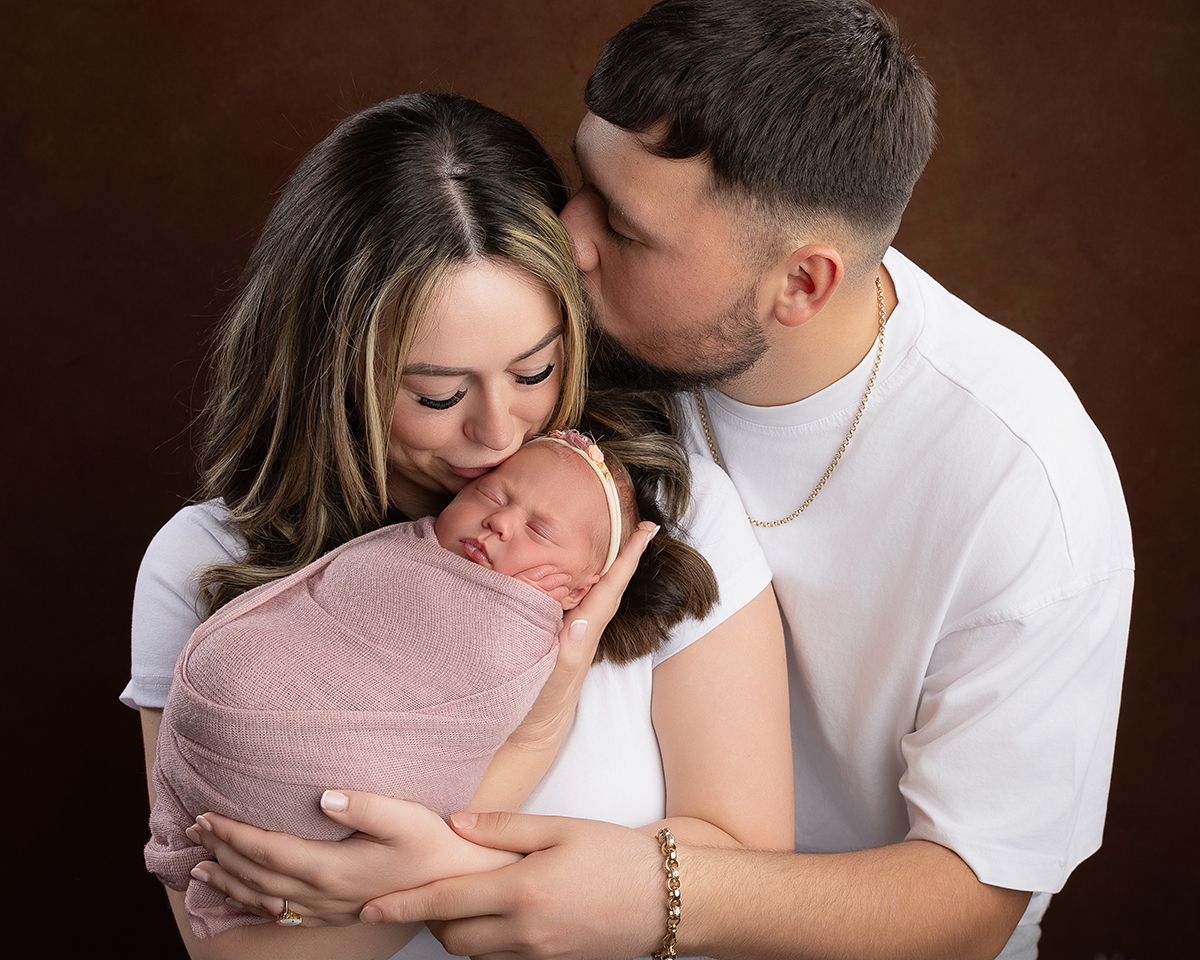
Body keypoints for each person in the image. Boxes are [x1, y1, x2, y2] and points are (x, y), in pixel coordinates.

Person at [182, 3, 1134, 959]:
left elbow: (973, 904)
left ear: (801, 285)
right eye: (584, 180)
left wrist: (650, 892)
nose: (569, 237)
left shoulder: (1023, 487)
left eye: (626, 229)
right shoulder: (561, 355)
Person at [124, 89, 794, 960]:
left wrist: (430, 869)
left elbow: (749, 876)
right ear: (335, 370)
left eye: (535, 370)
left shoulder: (662, 512)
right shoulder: (208, 565)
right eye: (437, 393)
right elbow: (235, 951)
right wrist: (512, 771)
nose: (499, 433)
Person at [148, 429, 711, 951]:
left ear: (579, 588)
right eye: (491, 496)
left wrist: (440, 865)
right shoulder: (390, 549)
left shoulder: (519, 633)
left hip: (326, 776)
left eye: (539, 531)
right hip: (225, 723)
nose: (501, 523)